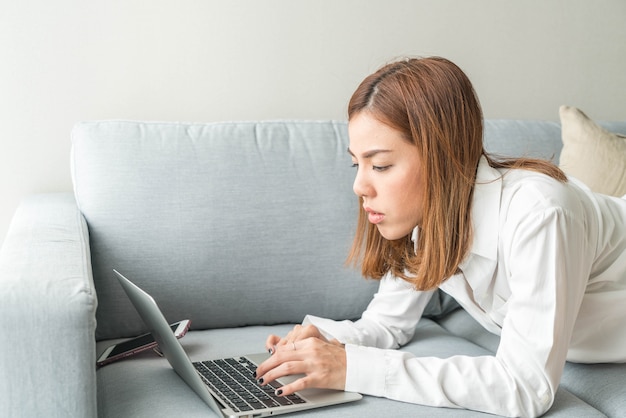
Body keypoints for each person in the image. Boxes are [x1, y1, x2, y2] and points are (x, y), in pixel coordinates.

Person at [254, 57, 626, 417]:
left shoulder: (540, 214)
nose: (359, 186)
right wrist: (326, 342)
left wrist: (354, 367)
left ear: (441, 155)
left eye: (380, 165)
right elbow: (387, 324)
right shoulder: (427, 220)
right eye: (358, 163)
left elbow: (525, 387)